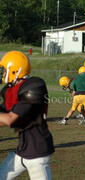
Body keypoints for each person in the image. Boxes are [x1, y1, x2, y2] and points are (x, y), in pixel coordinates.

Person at [0, 51, 54, 180]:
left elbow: (9, 119)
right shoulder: (13, 90)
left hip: (37, 153)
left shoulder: (32, 88)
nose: (3, 73)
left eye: (4, 70)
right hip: (23, 151)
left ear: (15, 71)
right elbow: (3, 119)